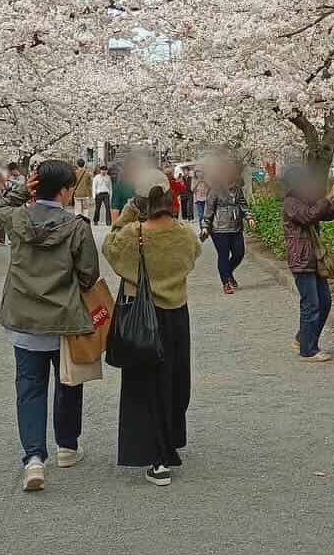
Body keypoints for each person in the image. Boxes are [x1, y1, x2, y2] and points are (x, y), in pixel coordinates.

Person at [0, 160, 101, 492]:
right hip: (63, 320)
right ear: (66, 190)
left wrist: (18, 191)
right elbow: (89, 275)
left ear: (35, 187)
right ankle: (67, 447)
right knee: (69, 381)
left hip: (24, 320)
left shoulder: (17, 220)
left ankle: (33, 460)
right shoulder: (77, 227)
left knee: (29, 387)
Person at [103, 171, 201, 486]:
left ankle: (156, 458)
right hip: (176, 313)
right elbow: (195, 255)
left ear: (141, 202)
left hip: (143, 316)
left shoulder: (134, 234)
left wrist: (130, 212)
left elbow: (110, 247)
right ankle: (170, 443)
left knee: (145, 387)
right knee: (174, 380)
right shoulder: (185, 233)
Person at [283, 166, 334, 362]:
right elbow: (309, 216)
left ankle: (303, 339)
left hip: (315, 258)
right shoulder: (290, 202)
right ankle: (308, 350)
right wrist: (328, 197)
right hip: (301, 259)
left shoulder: (307, 201)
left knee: (325, 303)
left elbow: (326, 214)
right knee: (311, 304)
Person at [203, 176, 251, 294]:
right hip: (219, 229)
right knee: (223, 255)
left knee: (239, 253)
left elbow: (243, 204)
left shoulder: (237, 189)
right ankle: (226, 282)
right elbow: (209, 209)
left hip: (236, 227)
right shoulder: (215, 190)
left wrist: (249, 217)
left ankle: (228, 273)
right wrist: (205, 226)